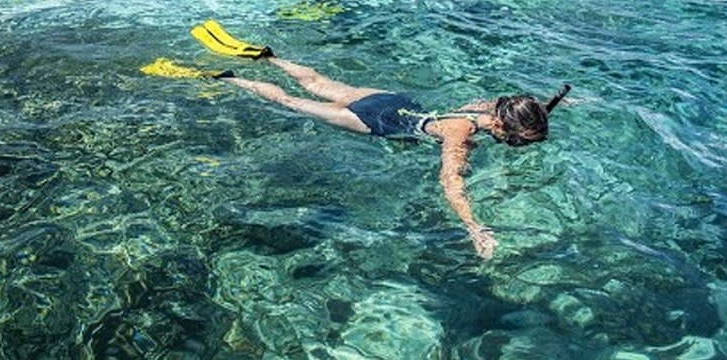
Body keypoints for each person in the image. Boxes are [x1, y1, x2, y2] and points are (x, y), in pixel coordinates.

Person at [187, 21, 570, 259]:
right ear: (504, 129)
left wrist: (546, 110)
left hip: (395, 101)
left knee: (317, 81)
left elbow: (527, 113)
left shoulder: (487, 109)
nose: (518, 146)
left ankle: (269, 57)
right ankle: (229, 78)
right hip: (378, 120)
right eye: (519, 142)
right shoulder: (462, 133)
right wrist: (474, 226)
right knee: (292, 102)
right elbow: (451, 183)